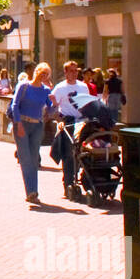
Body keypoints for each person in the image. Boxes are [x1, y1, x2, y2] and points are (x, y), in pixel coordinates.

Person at [10, 62, 56, 204]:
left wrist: (54, 104)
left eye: (46, 75)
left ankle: (33, 191)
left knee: (34, 159)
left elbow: (51, 111)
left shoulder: (46, 91)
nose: (43, 76)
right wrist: (18, 124)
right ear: (36, 72)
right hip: (22, 124)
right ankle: (31, 191)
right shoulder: (24, 86)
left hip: (37, 125)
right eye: (42, 73)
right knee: (25, 159)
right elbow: (15, 105)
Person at [50, 61, 94, 198]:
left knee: (83, 153)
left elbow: (88, 103)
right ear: (66, 72)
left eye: (76, 71)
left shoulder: (83, 87)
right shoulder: (60, 88)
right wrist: (59, 120)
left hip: (82, 122)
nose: (74, 73)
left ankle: (83, 179)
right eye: (71, 71)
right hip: (68, 122)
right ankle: (68, 182)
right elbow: (53, 107)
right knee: (68, 154)